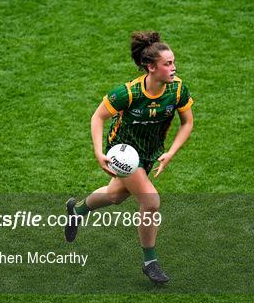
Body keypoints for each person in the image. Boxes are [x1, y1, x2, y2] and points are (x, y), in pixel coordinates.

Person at [65, 31, 194, 283]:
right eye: (167, 64)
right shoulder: (128, 93)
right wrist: (98, 152)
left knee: (114, 196)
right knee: (151, 202)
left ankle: (77, 210)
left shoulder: (177, 90)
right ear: (151, 67)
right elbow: (98, 117)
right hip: (124, 152)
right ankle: (150, 261)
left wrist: (170, 153)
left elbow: (187, 122)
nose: (173, 68)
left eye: (173, 62)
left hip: (149, 153)